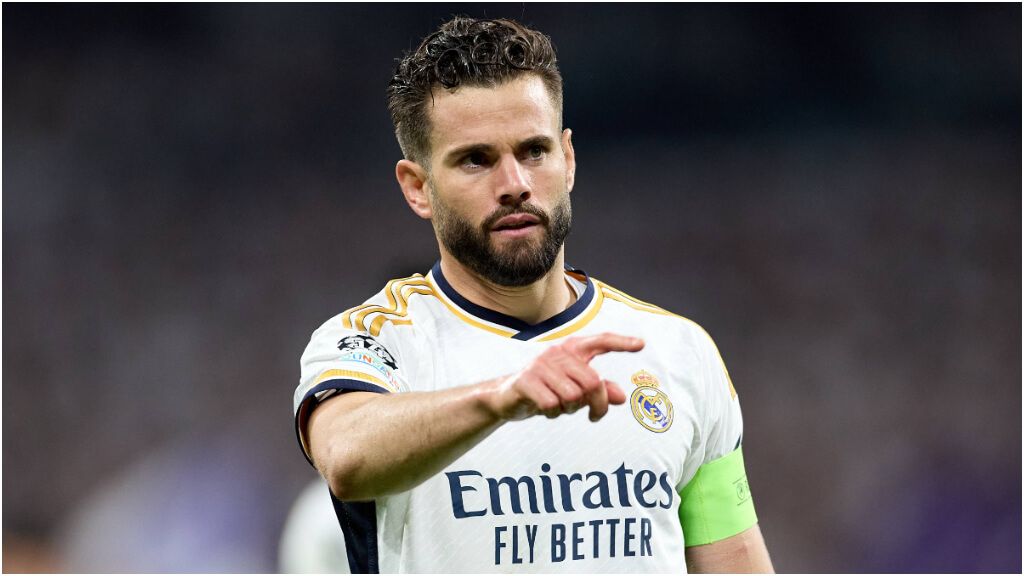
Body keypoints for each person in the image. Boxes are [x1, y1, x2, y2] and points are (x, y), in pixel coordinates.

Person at [293, 16, 774, 573]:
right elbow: (347, 455)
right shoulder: (375, 339)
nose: (515, 182)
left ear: (567, 159)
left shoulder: (678, 352)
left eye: (534, 151)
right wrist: (502, 397)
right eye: (476, 159)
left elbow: (736, 562)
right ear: (417, 187)